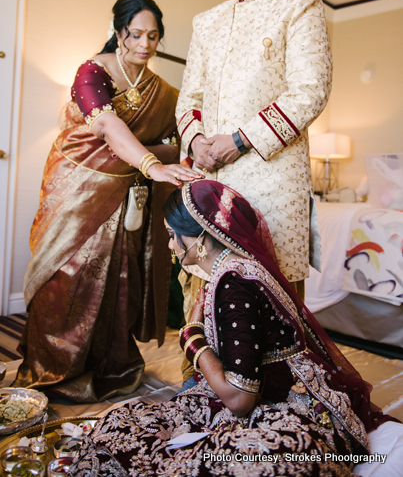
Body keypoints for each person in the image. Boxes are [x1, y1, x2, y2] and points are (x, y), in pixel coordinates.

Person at [69, 180, 396, 477]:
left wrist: (192, 340)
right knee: (129, 426)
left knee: (150, 445)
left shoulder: (233, 284)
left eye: (172, 236)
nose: (170, 246)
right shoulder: (235, 268)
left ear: (198, 238)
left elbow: (239, 399)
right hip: (297, 387)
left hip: (292, 404)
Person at [13, 0, 201, 403]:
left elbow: (176, 138)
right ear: (119, 33)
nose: (145, 44)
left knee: (119, 278)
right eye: (136, 34)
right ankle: (53, 365)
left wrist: (157, 156)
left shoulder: (163, 92)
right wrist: (151, 162)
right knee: (66, 277)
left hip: (128, 202)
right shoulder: (91, 71)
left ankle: (111, 366)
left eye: (153, 36)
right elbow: (105, 124)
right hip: (76, 193)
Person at [176, 0, 332, 370]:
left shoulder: (299, 6)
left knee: (273, 291)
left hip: (271, 177)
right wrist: (197, 139)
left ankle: (280, 397)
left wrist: (240, 140)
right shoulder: (206, 23)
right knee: (213, 285)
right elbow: (190, 97)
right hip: (214, 177)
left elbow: (310, 91)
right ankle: (219, 386)